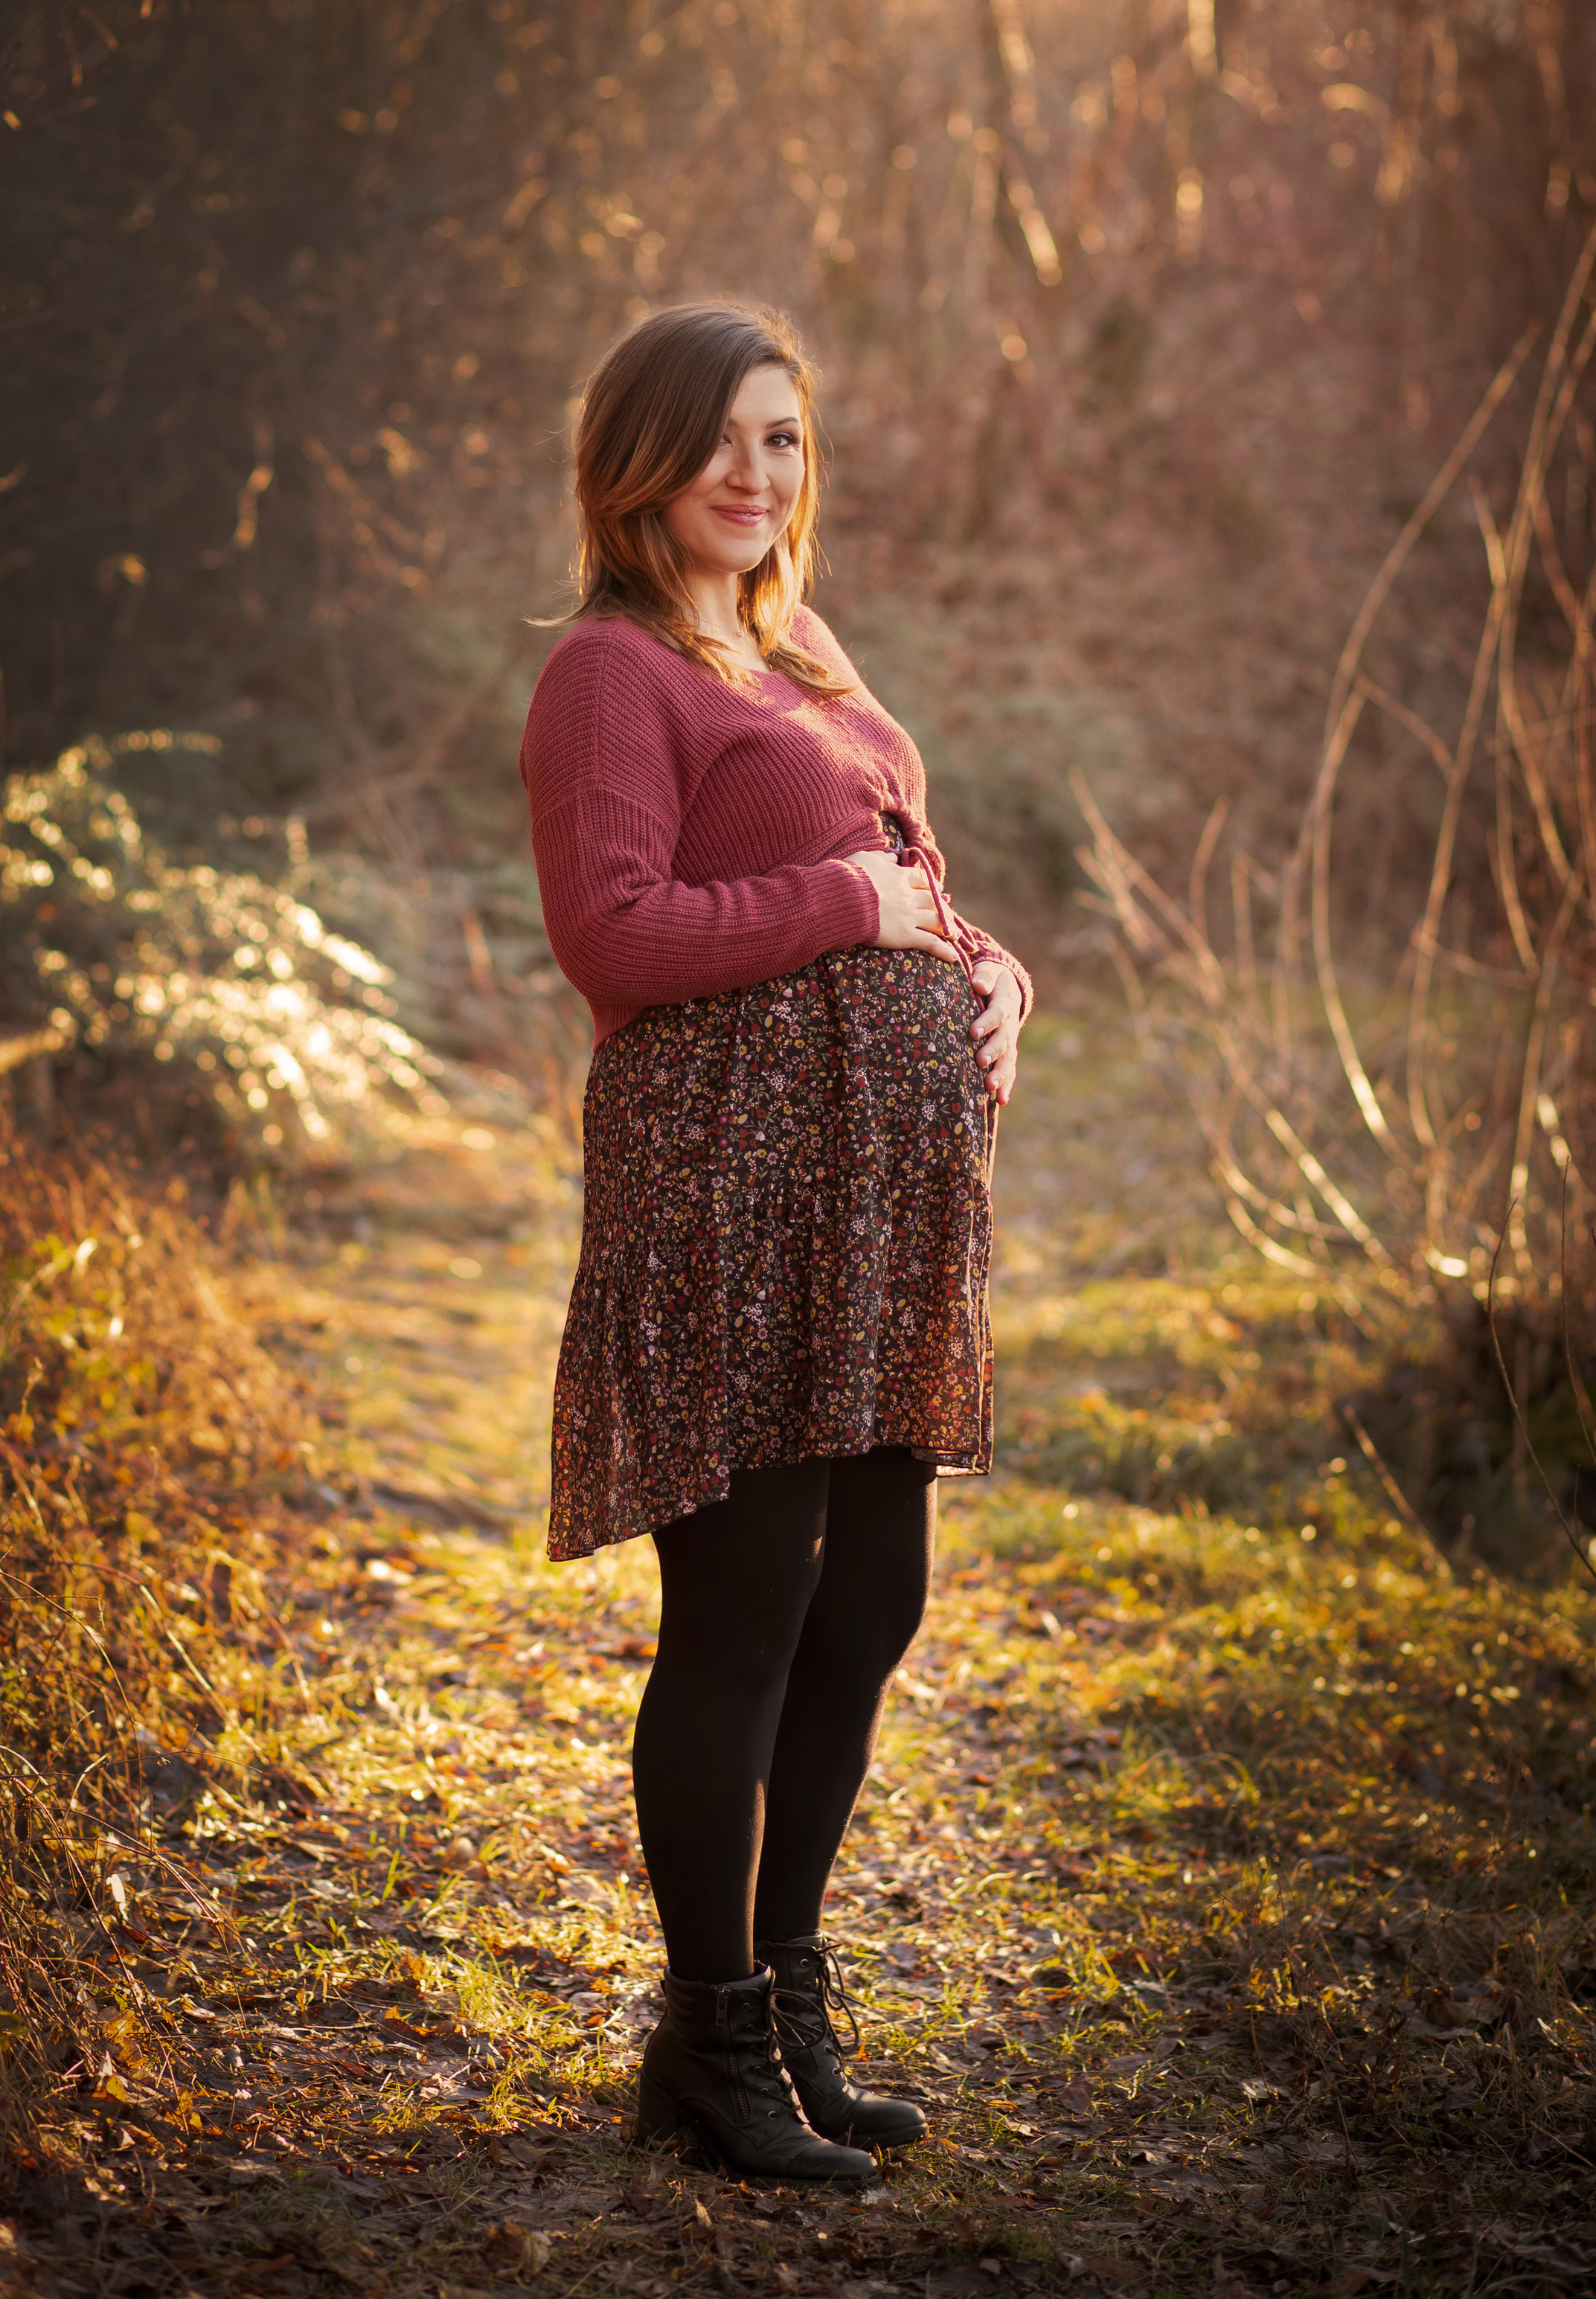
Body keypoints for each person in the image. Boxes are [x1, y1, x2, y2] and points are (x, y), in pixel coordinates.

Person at [519, 302, 1030, 2188]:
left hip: (874, 1198)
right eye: (720, 440)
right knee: (740, 1618)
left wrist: (996, 977)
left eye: (784, 440)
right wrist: (849, 902)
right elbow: (619, 939)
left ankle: (788, 1997)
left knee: (867, 1602)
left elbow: (918, 886)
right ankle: (708, 2039)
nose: (755, 475)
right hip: (726, 1192)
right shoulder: (605, 674)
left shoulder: (799, 646)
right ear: (634, 462)